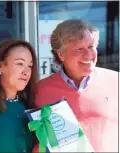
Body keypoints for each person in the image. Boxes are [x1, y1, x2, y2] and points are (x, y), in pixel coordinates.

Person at [33, 19, 118, 152]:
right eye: (79, 49)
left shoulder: (115, 82)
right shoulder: (40, 91)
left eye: (91, 46)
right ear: (61, 54)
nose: (88, 54)